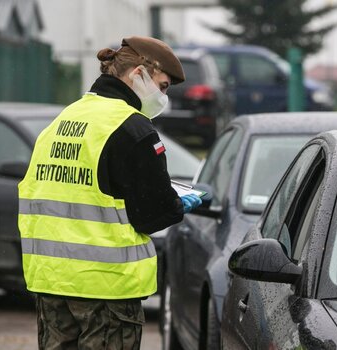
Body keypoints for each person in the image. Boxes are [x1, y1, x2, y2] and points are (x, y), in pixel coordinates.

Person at [18, 36, 202, 349]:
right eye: (163, 85)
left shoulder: (64, 119)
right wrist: (178, 204)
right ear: (138, 74)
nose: (163, 95)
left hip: (52, 282)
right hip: (106, 289)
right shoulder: (133, 129)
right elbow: (152, 215)